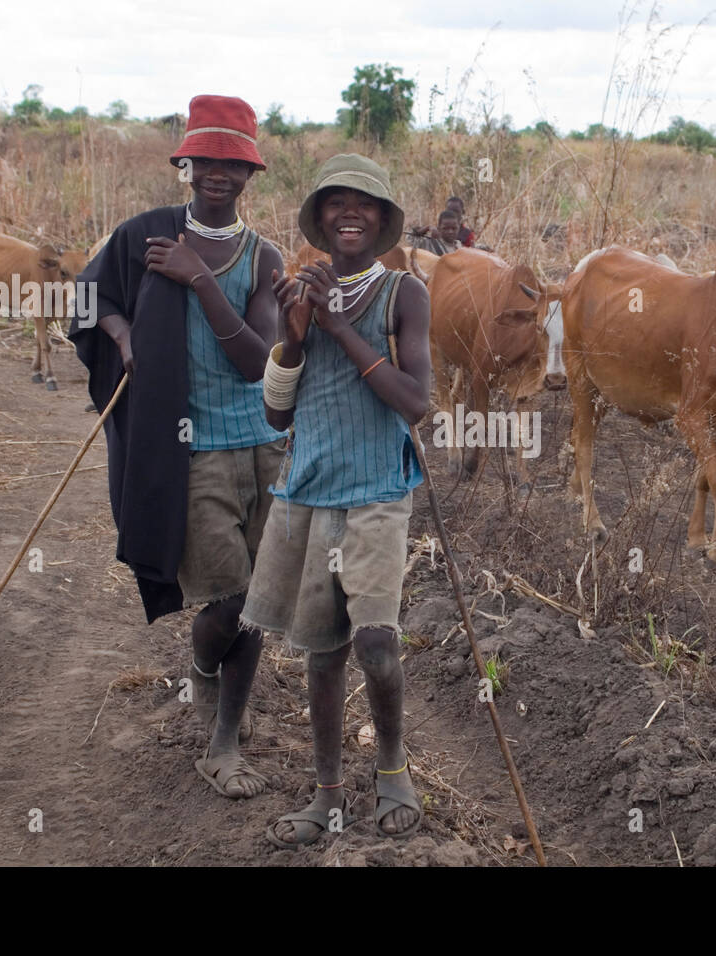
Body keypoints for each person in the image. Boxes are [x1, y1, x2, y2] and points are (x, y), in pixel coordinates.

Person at [71, 94, 287, 799]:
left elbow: (257, 361)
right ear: (184, 164)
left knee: (256, 601)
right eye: (207, 161)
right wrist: (126, 337)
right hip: (191, 453)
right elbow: (83, 300)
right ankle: (211, 707)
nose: (218, 174)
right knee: (230, 601)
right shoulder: (141, 237)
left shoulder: (262, 258)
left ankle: (224, 724)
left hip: (261, 448)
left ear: (250, 175)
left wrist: (197, 278)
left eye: (235, 164)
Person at [242, 154, 432, 846]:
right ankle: (325, 797)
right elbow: (274, 417)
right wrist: (294, 334)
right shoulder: (295, 293)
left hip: (379, 493)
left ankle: (391, 770)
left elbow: (415, 402)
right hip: (310, 496)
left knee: (377, 645)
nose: (349, 213)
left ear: (381, 220)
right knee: (323, 654)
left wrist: (340, 328)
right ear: (320, 218)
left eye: (365, 204)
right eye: (336, 203)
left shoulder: (402, 294)